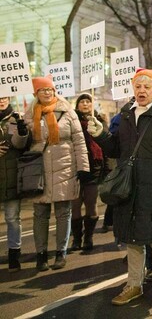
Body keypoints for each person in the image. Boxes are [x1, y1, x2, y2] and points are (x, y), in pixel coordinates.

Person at [87, 68, 152, 306]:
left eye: (146, 86)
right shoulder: (127, 116)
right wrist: (100, 134)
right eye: (138, 86)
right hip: (130, 190)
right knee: (133, 240)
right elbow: (116, 150)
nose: (141, 90)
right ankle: (133, 285)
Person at [24, 75, 90, 271]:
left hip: (65, 167)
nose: (47, 92)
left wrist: (83, 167)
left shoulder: (68, 112)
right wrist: (20, 132)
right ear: (36, 93)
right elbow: (21, 145)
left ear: (54, 91)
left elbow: (79, 141)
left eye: (49, 89)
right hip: (39, 170)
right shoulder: (29, 114)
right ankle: (41, 255)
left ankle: (61, 253)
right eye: (43, 90)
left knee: (63, 212)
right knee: (40, 214)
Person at [70, 93, 108, 252]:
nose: (85, 104)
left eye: (88, 101)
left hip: (95, 166)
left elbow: (106, 141)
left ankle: (88, 238)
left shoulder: (99, 120)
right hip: (76, 166)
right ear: (77, 105)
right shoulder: (72, 120)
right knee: (76, 204)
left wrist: (102, 124)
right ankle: (76, 239)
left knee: (91, 203)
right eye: (82, 102)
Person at [0, 97, 30, 272]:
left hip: (12, 176)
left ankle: (14, 255)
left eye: (4, 97)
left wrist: (21, 130)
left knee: (12, 218)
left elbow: (18, 144)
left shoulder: (15, 118)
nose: (1, 101)